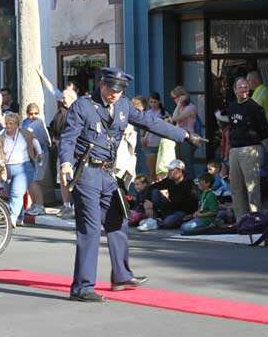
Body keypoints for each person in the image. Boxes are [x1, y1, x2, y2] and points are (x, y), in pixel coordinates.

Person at [59, 67, 201, 302]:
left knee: (117, 220)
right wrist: (65, 163)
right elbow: (68, 138)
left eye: (120, 90)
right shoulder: (83, 106)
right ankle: (83, 287)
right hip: (86, 172)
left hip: (108, 173)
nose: (115, 94)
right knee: (90, 229)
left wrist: (185, 136)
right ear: (102, 84)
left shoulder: (124, 105)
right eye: (112, 89)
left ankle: (121, 276)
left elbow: (151, 123)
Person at [226, 77, 268, 222]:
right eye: (241, 87)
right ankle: (242, 221)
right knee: (236, 187)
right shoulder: (231, 107)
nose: (244, 90)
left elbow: (265, 131)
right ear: (234, 90)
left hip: (250, 149)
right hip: (234, 150)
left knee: (252, 188)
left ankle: (256, 219)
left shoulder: (255, 107)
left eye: (246, 87)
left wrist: (252, 138)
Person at [0, 113, 43, 228]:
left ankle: (12, 217)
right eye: (7, 123)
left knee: (16, 193)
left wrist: (39, 153)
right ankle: (20, 217)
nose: (8, 126)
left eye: (11, 123)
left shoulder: (24, 133)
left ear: (17, 124)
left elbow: (34, 140)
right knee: (11, 194)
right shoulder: (2, 137)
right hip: (7, 169)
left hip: (24, 167)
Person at [142, 159, 198, 230]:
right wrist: (147, 201)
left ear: (179, 171)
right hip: (171, 208)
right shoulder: (169, 181)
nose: (168, 172)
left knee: (168, 222)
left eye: (171, 170)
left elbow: (191, 205)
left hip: (183, 212)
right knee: (155, 192)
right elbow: (152, 187)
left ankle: (156, 222)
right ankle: (155, 218)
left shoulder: (189, 184)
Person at [51, 89, 78, 219]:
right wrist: (55, 139)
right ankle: (66, 205)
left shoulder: (76, 112)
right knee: (62, 178)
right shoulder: (61, 111)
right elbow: (54, 127)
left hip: (74, 151)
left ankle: (75, 205)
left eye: (65, 97)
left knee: (72, 178)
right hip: (61, 149)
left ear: (73, 98)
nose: (63, 99)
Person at [246, 70, 268, 175]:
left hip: (265, 133)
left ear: (255, 81)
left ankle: (261, 186)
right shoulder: (267, 90)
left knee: (258, 162)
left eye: (248, 81)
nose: (246, 83)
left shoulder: (258, 93)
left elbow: (250, 113)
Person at [22, 103, 51, 217]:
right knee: (29, 180)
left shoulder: (39, 123)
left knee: (34, 180)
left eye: (35, 113)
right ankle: (34, 204)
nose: (33, 115)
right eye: (30, 113)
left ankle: (40, 205)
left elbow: (44, 140)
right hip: (28, 153)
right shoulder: (25, 122)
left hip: (39, 153)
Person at [141, 92, 170, 182]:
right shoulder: (147, 113)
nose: (153, 104)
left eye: (155, 102)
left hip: (161, 145)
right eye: (151, 102)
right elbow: (142, 127)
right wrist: (142, 137)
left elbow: (169, 128)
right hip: (149, 144)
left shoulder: (164, 113)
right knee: (152, 172)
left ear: (159, 102)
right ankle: (152, 191)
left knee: (162, 172)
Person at [170, 85, 196, 176]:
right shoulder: (180, 107)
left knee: (187, 166)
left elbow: (175, 118)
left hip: (187, 138)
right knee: (179, 164)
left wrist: (180, 104)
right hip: (179, 137)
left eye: (175, 98)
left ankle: (190, 186)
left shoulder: (190, 107)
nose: (174, 100)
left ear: (182, 96)